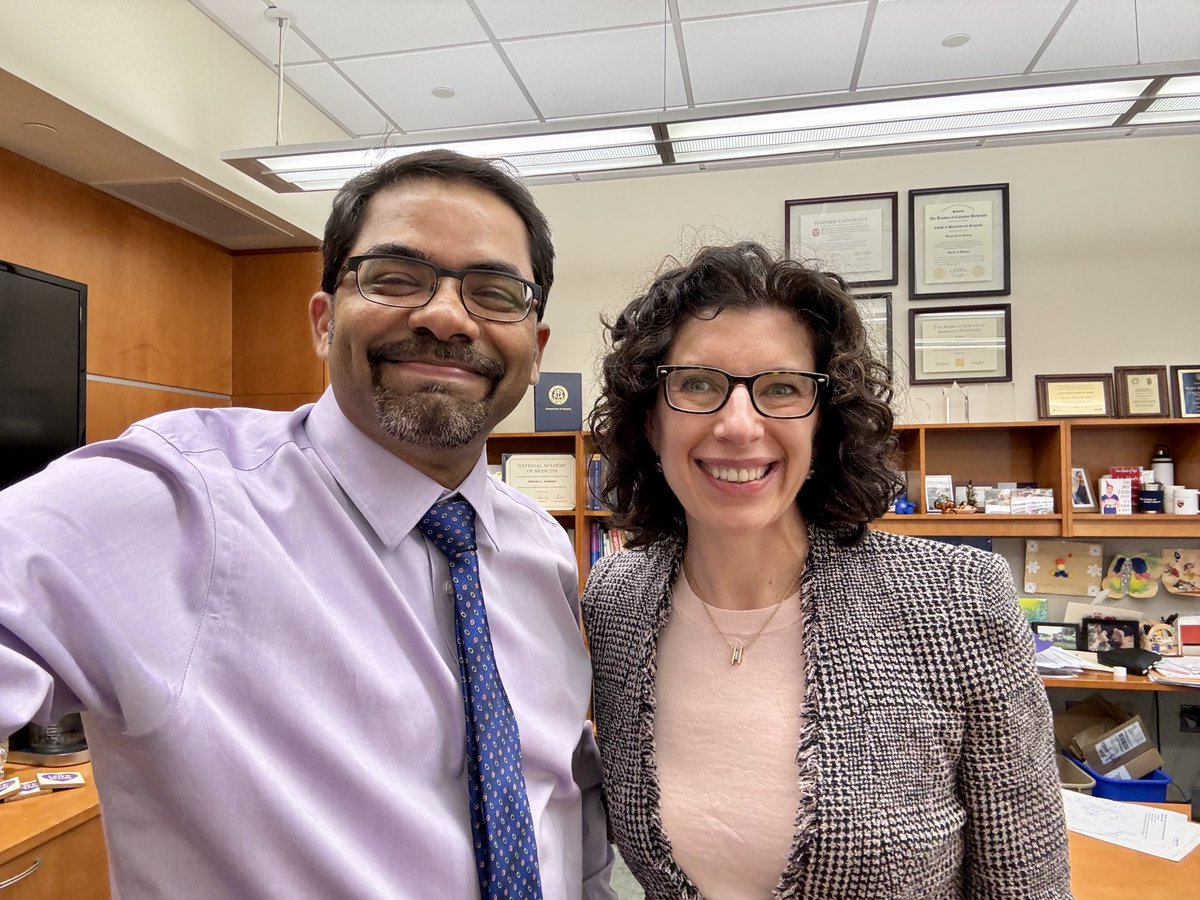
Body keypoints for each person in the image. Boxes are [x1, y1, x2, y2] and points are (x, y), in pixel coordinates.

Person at [0, 150, 614, 899]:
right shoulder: (177, 507)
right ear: (324, 322)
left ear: (535, 348)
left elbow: (555, 793)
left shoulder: (539, 548)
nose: (448, 318)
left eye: (494, 292)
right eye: (395, 277)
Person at [582, 242, 1071, 899]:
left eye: (781, 388)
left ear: (823, 422)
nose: (738, 424)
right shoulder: (616, 599)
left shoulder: (958, 601)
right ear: (651, 419)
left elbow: (1027, 883)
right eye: (697, 384)